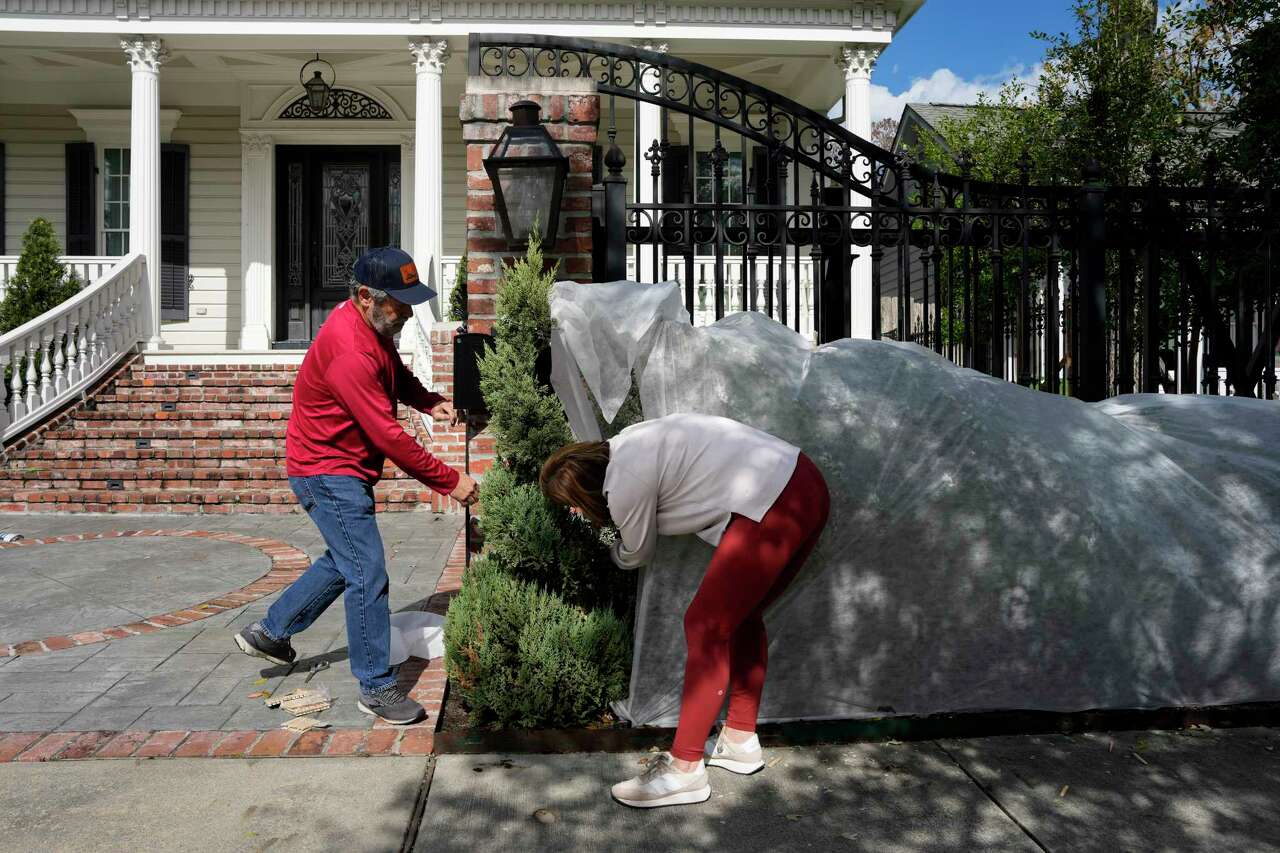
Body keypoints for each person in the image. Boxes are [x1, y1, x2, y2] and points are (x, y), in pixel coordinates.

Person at [233, 246, 478, 725]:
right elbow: (387, 434)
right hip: (326, 472)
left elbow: (394, 376)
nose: (407, 312)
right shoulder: (348, 351)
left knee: (345, 560)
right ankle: (376, 687)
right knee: (367, 570)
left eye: (410, 301)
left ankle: (271, 631)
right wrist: (450, 481)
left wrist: (430, 401)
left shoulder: (369, 327)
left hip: (338, 466)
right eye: (399, 303)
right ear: (366, 297)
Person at [540, 412, 830, 808]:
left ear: (583, 490)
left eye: (570, 505)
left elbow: (635, 552)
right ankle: (740, 740)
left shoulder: (624, 483)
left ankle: (685, 769)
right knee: (739, 616)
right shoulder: (630, 443)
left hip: (774, 499)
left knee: (705, 625)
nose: (573, 513)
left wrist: (605, 538)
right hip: (804, 483)